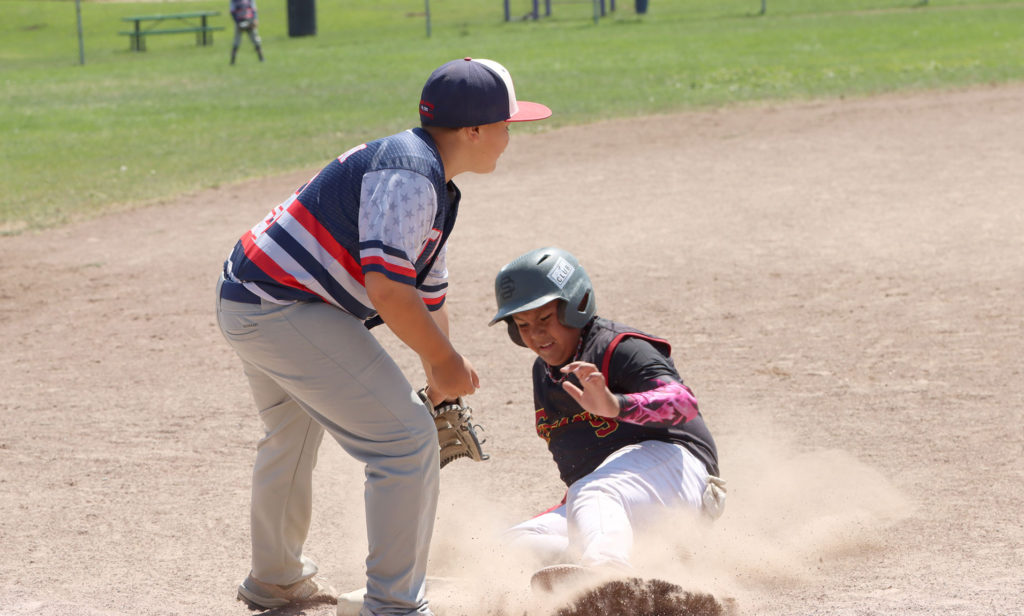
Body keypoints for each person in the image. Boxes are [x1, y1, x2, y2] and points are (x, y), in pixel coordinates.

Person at [216, 58, 551, 614]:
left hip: (256, 298)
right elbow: (390, 291)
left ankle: (275, 578)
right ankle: (393, 605)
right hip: (282, 307)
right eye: (505, 125)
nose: (509, 136)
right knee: (404, 441)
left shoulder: (429, 179)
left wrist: (438, 371)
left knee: (291, 435)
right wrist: (444, 363)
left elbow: (427, 295)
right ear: (472, 131)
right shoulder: (410, 175)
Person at [488, 247, 725, 585]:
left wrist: (616, 406)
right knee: (509, 545)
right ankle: (634, 576)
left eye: (544, 318)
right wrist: (581, 514)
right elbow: (588, 476)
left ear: (575, 306)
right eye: (522, 324)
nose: (535, 334)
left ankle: (608, 580)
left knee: (592, 492)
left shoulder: (618, 347)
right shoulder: (544, 374)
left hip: (683, 472)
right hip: (616, 498)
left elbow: (683, 403)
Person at [229, 0, 263, 64]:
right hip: (239, 22)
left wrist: (255, 19)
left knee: (256, 40)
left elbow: (254, 9)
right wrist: (237, 22)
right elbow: (232, 12)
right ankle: (232, 60)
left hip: (250, 21)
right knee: (236, 42)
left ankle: (261, 58)